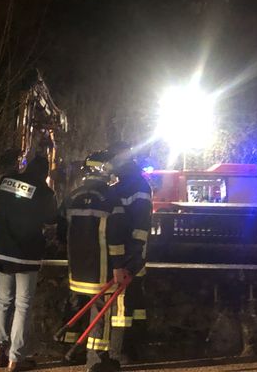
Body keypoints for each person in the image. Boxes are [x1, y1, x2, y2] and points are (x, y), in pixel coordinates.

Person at [58, 151, 139, 372]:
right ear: (105, 170)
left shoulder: (71, 196)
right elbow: (116, 238)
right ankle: (96, 362)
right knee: (101, 314)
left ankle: (69, 352)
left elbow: (60, 232)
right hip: (101, 270)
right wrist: (119, 266)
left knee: (76, 307)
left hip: (76, 270)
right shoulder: (112, 199)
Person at [0, 155, 57, 372]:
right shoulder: (45, 192)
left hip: (0, 251)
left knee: (3, 301)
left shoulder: (8, 180)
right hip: (26, 254)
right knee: (22, 305)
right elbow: (52, 219)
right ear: (44, 173)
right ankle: (15, 359)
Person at [107, 142, 153, 364]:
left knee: (125, 308)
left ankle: (124, 350)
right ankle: (134, 348)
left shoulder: (136, 187)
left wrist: (129, 262)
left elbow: (140, 227)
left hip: (130, 259)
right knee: (135, 304)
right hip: (131, 258)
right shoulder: (127, 185)